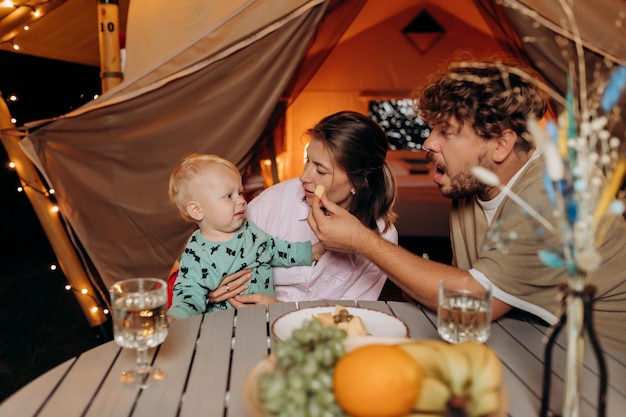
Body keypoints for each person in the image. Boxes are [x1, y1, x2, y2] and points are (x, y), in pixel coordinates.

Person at [307, 59, 626, 352]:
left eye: (446, 132)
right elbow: (460, 297)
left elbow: (470, 301)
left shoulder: (558, 192)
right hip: (524, 345)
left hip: (601, 368)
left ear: (502, 145)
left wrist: (362, 240)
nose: (428, 143)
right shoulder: (471, 187)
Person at [208, 110, 399, 308]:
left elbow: (351, 315)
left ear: (358, 182)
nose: (304, 177)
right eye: (308, 160)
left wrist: (277, 309)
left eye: (321, 170)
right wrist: (212, 285)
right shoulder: (275, 200)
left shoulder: (382, 238)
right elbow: (215, 247)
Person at [167, 153, 324, 319]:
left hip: (265, 318)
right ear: (197, 210)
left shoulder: (249, 230)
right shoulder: (197, 252)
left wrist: (310, 252)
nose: (241, 201)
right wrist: (176, 317)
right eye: (229, 196)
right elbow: (188, 293)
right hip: (223, 328)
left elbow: (276, 249)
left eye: (240, 193)